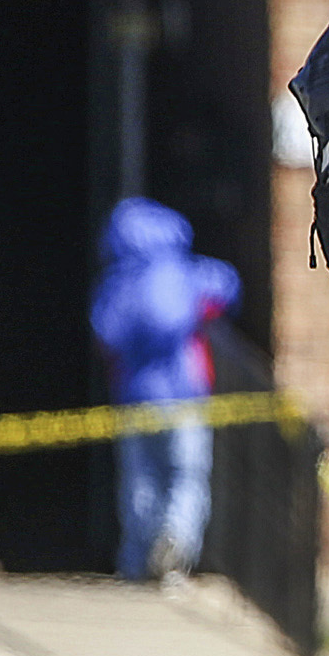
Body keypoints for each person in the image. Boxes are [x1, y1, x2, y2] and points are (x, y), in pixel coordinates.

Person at [90, 198, 240, 584]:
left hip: (134, 395)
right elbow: (227, 286)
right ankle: (175, 547)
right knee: (186, 476)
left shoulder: (116, 283)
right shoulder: (186, 274)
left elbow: (105, 334)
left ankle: (136, 561)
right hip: (184, 392)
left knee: (140, 481)